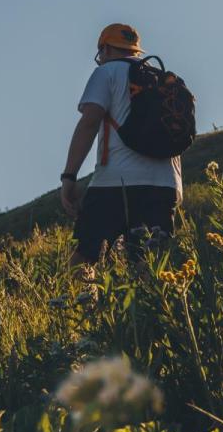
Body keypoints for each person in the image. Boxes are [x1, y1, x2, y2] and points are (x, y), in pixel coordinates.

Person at [60, 22, 183, 263]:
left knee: (83, 262)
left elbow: (89, 123)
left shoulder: (106, 72)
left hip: (115, 183)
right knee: (149, 268)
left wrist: (69, 177)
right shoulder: (162, 78)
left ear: (104, 49)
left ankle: (81, 302)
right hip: (165, 185)